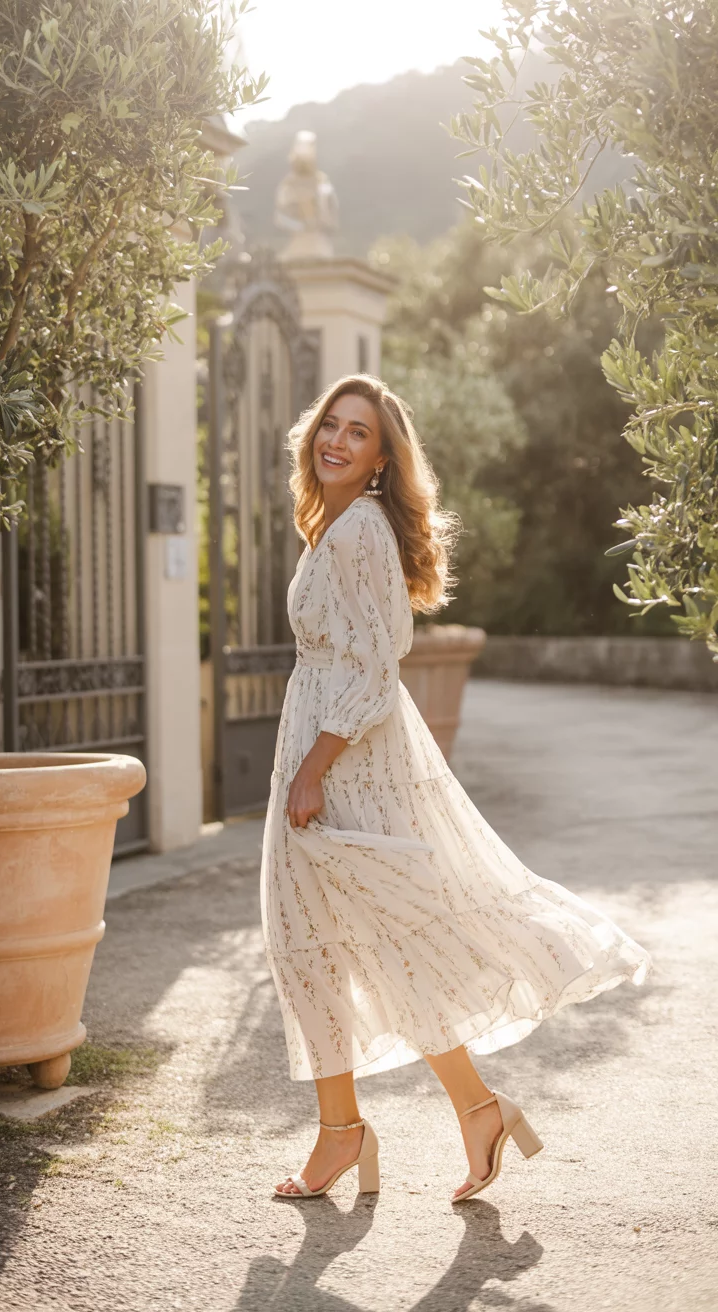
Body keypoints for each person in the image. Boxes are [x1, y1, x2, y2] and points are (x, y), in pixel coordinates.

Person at [260, 374, 652, 1202]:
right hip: (326, 748)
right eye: (330, 424)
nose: (336, 440)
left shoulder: (360, 528)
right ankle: (388, 1124)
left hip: (343, 762)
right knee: (326, 943)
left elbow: (374, 663)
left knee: (361, 937)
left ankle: (419, 1119)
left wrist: (313, 768)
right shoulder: (333, 525)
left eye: (358, 433)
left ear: (380, 459)